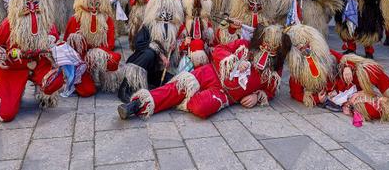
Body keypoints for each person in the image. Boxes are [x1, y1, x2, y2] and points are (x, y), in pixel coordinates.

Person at [118, 38, 279, 120]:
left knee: (202, 108)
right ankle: (137, 104)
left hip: (224, 94)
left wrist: (257, 96)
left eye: (272, 49)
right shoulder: (244, 45)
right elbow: (219, 49)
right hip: (211, 73)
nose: (266, 51)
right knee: (180, 87)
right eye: (265, 45)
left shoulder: (272, 72)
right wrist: (234, 61)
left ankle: (178, 99)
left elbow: (271, 91)